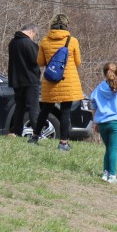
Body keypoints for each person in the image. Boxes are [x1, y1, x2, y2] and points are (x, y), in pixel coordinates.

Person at [31, 14, 82, 151]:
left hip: (51, 80)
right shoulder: (73, 41)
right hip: (67, 81)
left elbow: (40, 62)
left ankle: (34, 137)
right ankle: (63, 143)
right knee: (65, 111)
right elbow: (78, 62)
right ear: (66, 26)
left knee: (45, 109)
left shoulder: (45, 41)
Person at [91, 61, 117, 184]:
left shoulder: (99, 88)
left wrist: (96, 121)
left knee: (108, 148)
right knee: (113, 149)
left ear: (104, 74)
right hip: (115, 123)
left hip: (102, 123)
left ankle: (105, 173)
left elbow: (93, 104)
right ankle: (112, 176)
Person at [7, 22, 40, 138]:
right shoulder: (28, 43)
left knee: (19, 107)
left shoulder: (12, 42)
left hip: (16, 80)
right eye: (34, 35)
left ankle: (17, 131)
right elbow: (36, 60)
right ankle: (37, 132)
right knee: (33, 108)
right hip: (30, 80)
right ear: (31, 31)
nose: (33, 37)